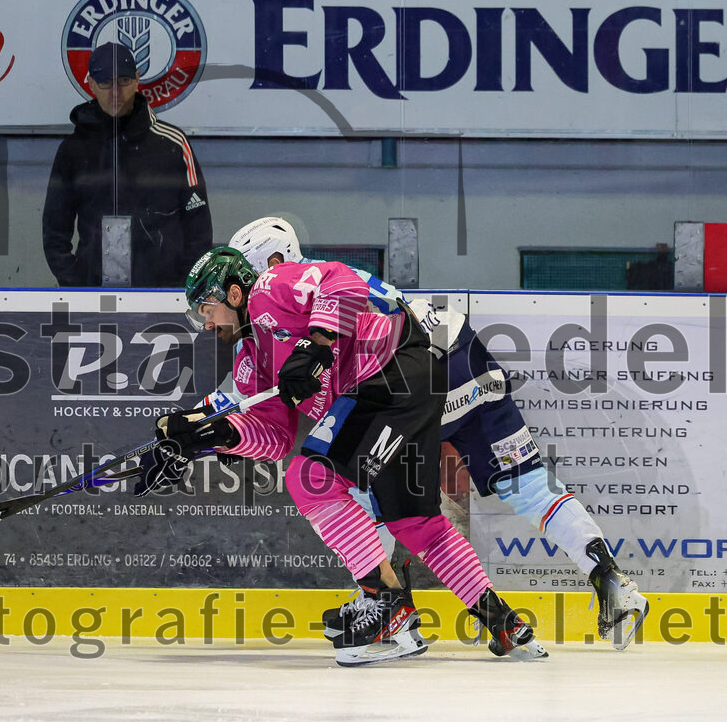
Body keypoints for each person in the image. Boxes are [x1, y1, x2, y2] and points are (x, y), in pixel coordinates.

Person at [227, 216, 649, 650]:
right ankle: (611, 581)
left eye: (245, 270)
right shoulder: (313, 280)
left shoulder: (283, 295)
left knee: (355, 482)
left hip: (415, 376)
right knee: (527, 485)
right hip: (464, 351)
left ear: (271, 262)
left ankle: (386, 602)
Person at [137, 246, 547, 666]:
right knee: (415, 522)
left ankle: (385, 602)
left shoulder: (270, 288)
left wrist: (317, 344)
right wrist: (212, 437)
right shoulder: (252, 356)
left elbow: (343, 281)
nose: (207, 323)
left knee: (310, 478)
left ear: (234, 294)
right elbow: (275, 438)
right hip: (394, 392)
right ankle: (503, 621)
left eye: (207, 310)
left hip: (392, 373)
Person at [42, 42, 213, 287]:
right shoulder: (73, 150)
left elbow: (199, 228)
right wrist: (78, 286)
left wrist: (181, 289)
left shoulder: (173, 144)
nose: (115, 92)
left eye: (123, 81)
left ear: (137, 80)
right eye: (106, 82)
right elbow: (54, 230)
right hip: (92, 295)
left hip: (164, 295)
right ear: (91, 84)